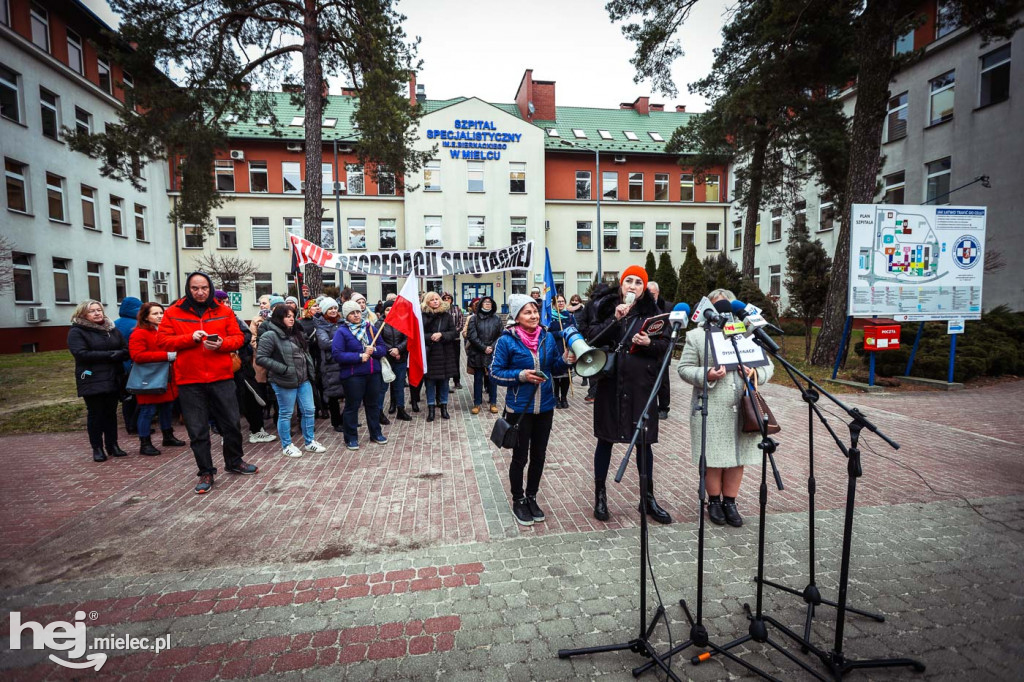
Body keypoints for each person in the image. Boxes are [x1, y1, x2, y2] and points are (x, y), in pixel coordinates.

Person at [578, 266, 673, 525]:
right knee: (605, 440)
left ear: (644, 289)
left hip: (641, 387)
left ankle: (648, 498)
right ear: (621, 286)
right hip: (610, 386)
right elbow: (591, 339)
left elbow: (665, 347)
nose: (632, 286)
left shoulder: (654, 314)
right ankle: (600, 495)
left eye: (638, 282)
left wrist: (649, 344)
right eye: (628, 281)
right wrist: (615, 320)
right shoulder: (607, 309)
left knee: (644, 442)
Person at [677, 288, 774, 527]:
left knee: (737, 457)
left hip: (743, 406)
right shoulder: (697, 336)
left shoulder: (747, 332)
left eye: (727, 305)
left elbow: (768, 366)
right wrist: (707, 374)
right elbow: (684, 368)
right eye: (717, 305)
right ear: (707, 308)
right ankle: (714, 502)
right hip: (711, 406)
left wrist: (755, 373)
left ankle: (730, 501)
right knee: (712, 457)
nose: (723, 311)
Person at [158, 272, 259, 494]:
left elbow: (239, 337)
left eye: (204, 287)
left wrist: (223, 344)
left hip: (221, 377)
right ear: (188, 289)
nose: (200, 292)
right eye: (195, 288)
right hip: (189, 380)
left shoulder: (223, 310)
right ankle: (205, 471)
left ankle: (234, 461)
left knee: (232, 424)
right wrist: (189, 338)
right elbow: (163, 341)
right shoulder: (174, 312)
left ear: (210, 288)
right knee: (197, 430)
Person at [491, 294, 574, 526]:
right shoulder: (506, 340)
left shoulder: (547, 337)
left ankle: (532, 496)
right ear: (516, 316)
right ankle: (518, 499)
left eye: (535, 311)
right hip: (520, 408)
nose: (534, 315)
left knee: (539, 455)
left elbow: (555, 366)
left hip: (546, 407)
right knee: (520, 457)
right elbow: (495, 372)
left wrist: (567, 360)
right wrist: (521, 375)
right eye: (527, 312)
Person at [256, 305, 326, 457]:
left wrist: (309, 370)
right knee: (286, 413)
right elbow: (261, 358)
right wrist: (283, 369)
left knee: (309, 410)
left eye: (292, 315)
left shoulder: (297, 333)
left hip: (303, 379)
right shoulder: (270, 335)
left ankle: (309, 442)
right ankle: (287, 445)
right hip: (284, 380)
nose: (291, 318)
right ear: (279, 317)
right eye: (287, 316)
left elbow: (304, 354)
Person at [68, 300, 129, 462]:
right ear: (83, 314)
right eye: (92, 311)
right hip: (91, 378)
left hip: (113, 377)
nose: (97, 313)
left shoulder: (111, 329)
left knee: (111, 413)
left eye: (99, 310)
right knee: (96, 414)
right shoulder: (77, 331)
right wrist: (110, 355)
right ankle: (97, 448)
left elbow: (125, 349)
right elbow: (81, 354)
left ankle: (112, 445)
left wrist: (119, 354)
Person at [128, 302, 186, 455]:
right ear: (145, 317)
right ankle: (145, 442)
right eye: (155, 313)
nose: (160, 316)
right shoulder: (139, 333)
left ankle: (168, 436)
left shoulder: (164, 331)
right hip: (149, 379)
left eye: (161, 312)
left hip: (166, 376)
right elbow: (137, 356)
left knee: (167, 407)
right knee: (147, 410)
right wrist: (166, 356)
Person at [331, 300, 388, 450]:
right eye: (352, 313)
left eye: (358, 312)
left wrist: (373, 351)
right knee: (352, 406)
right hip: (353, 376)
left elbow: (382, 347)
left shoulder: (370, 328)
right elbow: (337, 354)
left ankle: (376, 433)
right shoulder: (342, 332)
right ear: (346, 316)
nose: (356, 315)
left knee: (373, 405)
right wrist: (358, 356)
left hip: (372, 373)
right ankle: (351, 437)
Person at [421, 292, 459, 421]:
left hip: (444, 353)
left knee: (444, 382)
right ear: (427, 302)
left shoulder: (446, 316)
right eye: (432, 300)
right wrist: (431, 336)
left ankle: (444, 407)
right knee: (430, 382)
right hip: (430, 354)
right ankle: (431, 408)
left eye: (437, 299)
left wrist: (442, 335)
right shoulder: (423, 316)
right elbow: (419, 335)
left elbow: (453, 332)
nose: (435, 301)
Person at [314, 297, 346, 431]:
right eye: (330, 309)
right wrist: (343, 340)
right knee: (333, 395)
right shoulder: (321, 326)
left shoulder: (343, 322)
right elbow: (324, 343)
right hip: (330, 365)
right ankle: (336, 422)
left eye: (334, 308)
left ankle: (346, 419)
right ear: (325, 311)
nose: (333, 311)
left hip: (344, 362)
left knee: (349, 393)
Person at [466, 296, 502, 414]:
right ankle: (477, 403)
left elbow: (501, 335)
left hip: (492, 352)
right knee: (478, 379)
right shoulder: (474, 319)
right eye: (485, 302)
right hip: (478, 352)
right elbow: (471, 336)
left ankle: (493, 402)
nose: (487, 304)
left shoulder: (497, 319)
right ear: (481, 304)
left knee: (492, 379)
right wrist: (483, 347)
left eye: (490, 302)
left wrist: (491, 346)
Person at [380, 300, 413, 421]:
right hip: (386, 359)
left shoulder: (402, 322)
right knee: (383, 387)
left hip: (400, 358)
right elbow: (378, 340)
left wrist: (398, 349)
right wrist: (391, 351)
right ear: (383, 311)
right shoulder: (380, 323)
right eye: (387, 309)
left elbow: (407, 338)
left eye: (392, 309)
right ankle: (379, 412)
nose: (390, 311)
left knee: (399, 385)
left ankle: (401, 409)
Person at [114, 296, 143, 435]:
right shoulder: (135, 326)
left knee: (126, 397)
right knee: (136, 398)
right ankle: (134, 425)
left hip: (117, 366)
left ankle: (129, 425)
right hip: (132, 365)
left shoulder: (114, 323)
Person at [647, 282, 673, 420]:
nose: (651, 296)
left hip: (662, 348)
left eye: (653, 293)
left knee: (663, 381)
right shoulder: (644, 306)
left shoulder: (668, 307)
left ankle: (663, 407)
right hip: (647, 348)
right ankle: (650, 406)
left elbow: (672, 327)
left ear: (658, 292)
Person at [549, 295, 577, 409]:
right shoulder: (550, 317)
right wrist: (558, 333)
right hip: (556, 348)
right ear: (554, 304)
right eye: (558, 302)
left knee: (566, 375)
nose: (560, 303)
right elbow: (547, 333)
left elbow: (575, 329)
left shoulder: (569, 316)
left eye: (562, 301)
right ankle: (555, 397)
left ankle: (564, 397)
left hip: (567, 348)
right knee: (556, 375)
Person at [442, 292, 464, 390]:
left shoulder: (457, 309)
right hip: (443, 340)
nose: (446, 300)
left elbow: (461, 323)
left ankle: (457, 381)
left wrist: (453, 333)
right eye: (444, 298)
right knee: (444, 360)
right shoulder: (440, 310)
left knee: (455, 360)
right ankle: (445, 383)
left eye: (448, 298)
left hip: (455, 339)